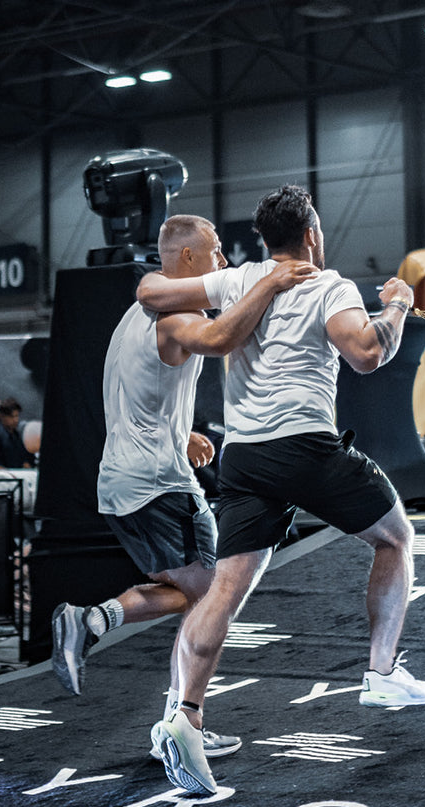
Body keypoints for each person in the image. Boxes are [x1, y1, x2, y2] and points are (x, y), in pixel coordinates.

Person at [134, 185, 425, 795]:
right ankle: (381, 672)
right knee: (396, 537)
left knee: (223, 589)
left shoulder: (236, 279)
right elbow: (367, 354)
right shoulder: (330, 286)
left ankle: (183, 716)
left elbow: (149, 292)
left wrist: (256, 283)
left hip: (245, 456)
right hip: (303, 445)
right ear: (312, 235)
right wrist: (401, 305)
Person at [50, 214, 316, 765]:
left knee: (204, 596)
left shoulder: (136, 314)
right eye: (216, 252)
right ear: (189, 259)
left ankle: (176, 716)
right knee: (212, 598)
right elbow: (220, 339)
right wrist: (269, 281)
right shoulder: (174, 316)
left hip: (145, 478)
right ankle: (103, 632)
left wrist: (184, 431)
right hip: (153, 483)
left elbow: (140, 390)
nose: (222, 262)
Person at [0, 397, 35, 470]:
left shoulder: (18, 436)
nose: (15, 420)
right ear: (2, 417)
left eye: (17, 416)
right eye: (11, 417)